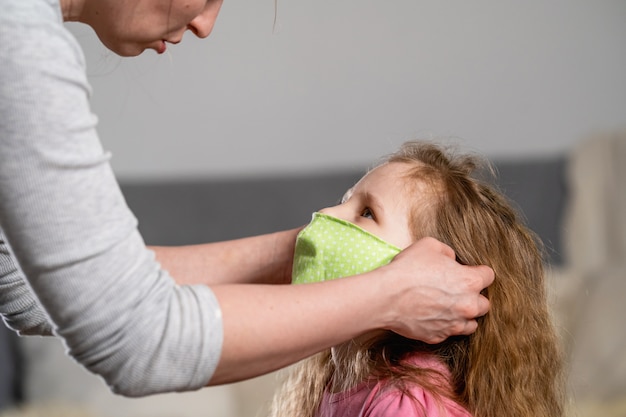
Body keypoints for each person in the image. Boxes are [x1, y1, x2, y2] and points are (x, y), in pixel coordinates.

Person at [0, 0, 494, 398]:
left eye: (365, 213)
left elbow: (24, 285)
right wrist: (391, 294)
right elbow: (136, 335)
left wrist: (320, 247)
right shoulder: (16, 40)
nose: (206, 24)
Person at [268, 141, 564, 417]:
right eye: (345, 201)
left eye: (367, 213)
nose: (326, 213)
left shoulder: (407, 402)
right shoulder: (332, 378)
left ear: (434, 275)